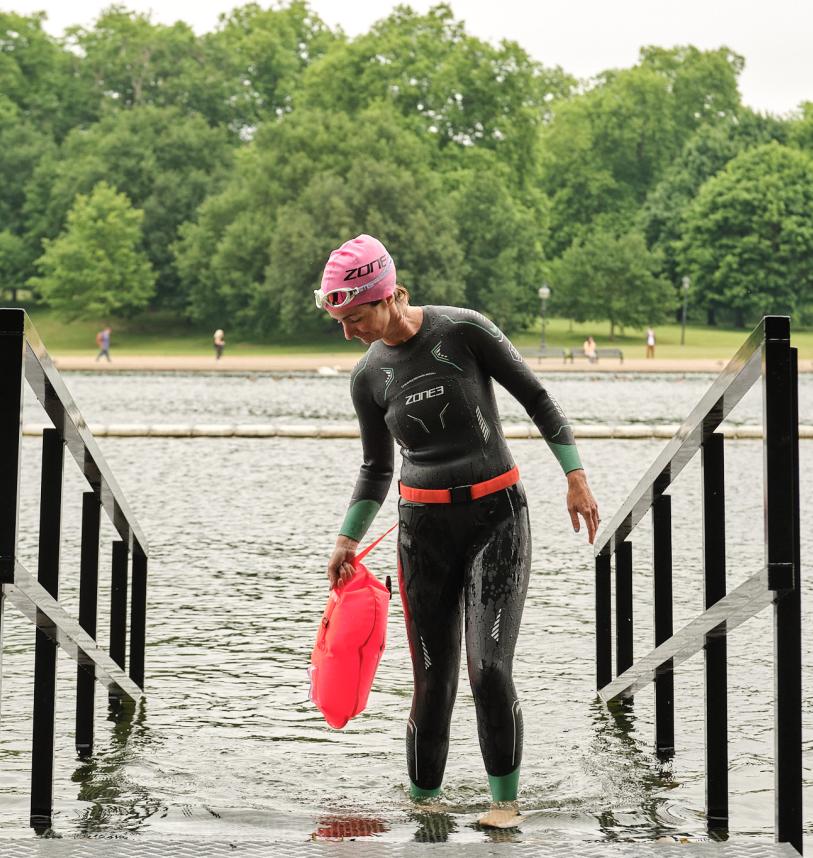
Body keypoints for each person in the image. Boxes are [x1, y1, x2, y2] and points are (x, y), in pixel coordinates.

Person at [317, 234, 599, 829]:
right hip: (422, 532)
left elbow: (537, 396)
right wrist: (346, 539)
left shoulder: (462, 331)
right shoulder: (368, 377)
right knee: (432, 679)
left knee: (488, 668)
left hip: (497, 519)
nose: (349, 332)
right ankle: (426, 807)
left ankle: (505, 804)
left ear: (392, 295)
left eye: (356, 315)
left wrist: (575, 476)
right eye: (340, 320)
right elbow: (375, 467)